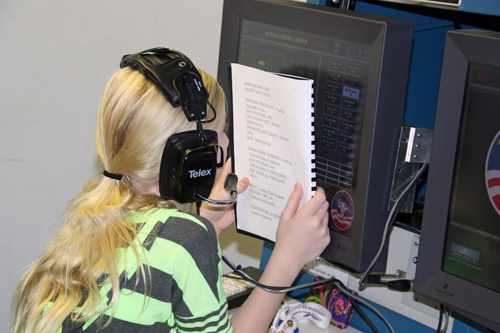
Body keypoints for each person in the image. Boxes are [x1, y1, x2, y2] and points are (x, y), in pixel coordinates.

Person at [11, 48, 330, 333]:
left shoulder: (89, 220)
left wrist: (209, 225)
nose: (229, 144)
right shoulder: (187, 239)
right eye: (221, 133)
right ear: (191, 156)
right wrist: (288, 259)